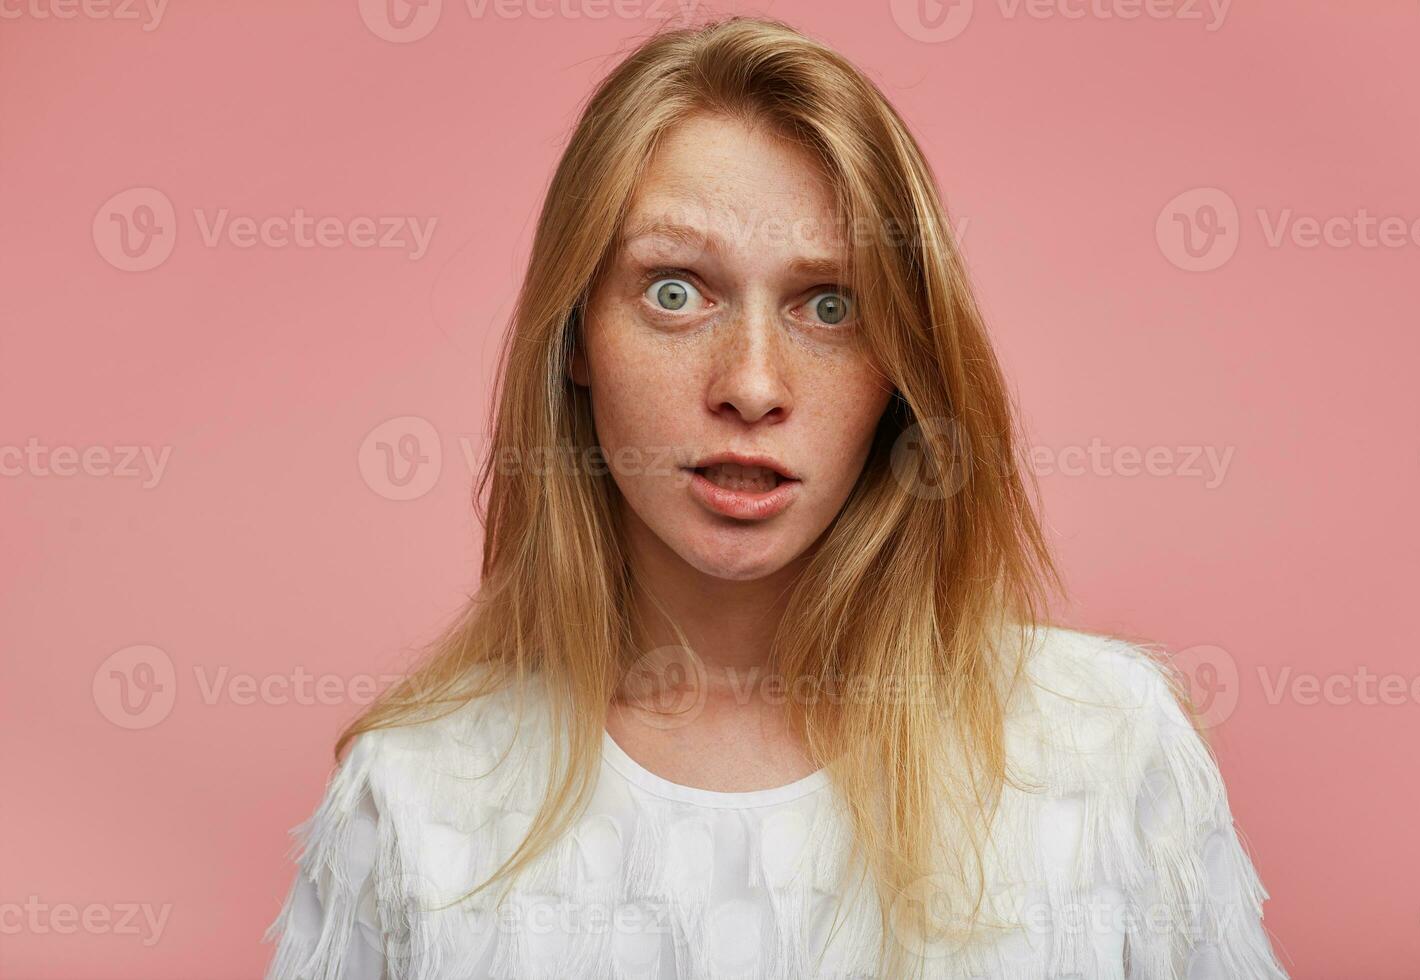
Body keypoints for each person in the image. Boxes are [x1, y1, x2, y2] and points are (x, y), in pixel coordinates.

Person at [263, 15, 1288, 980]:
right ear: (577, 337)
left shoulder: (1102, 749)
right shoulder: (417, 802)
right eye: (675, 290)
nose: (751, 384)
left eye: (829, 305)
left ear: (905, 360)